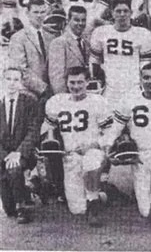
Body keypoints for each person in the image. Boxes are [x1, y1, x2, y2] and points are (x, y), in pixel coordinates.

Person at [108, 62, 151, 229]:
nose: (149, 81)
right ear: (140, 79)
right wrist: (108, 148)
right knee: (143, 211)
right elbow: (115, 129)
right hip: (138, 155)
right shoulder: (130, 99)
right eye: (146, 77)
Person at [42, 66, 113, 226]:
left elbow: (111, 132)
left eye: (80, 82)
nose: (76, 86)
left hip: (92, 151)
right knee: (78, 209)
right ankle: (102, 193)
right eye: (72, 82)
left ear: (88, 82)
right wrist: (52, 138)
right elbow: (47, 128)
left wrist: (94, 144)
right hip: (70, 156)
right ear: (66, 83)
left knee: (91, 162)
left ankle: (94, 204)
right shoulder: (57, 102)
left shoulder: (97, 101)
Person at [89, 0, 151, 102]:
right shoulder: (100, 32)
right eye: (118, 11)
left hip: (133, 87)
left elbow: (145, 66)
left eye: (125, 11)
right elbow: (94, 62)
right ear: (112, 13)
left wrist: (142, 88)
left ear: (131, 13)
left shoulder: (143, 34)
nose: (122, 14)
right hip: (109, 87)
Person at [0, 67, 41, 224]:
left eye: (16, 79)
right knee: (7, 209)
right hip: (3, 155)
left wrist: (19, 152)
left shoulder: (29, 102)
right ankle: (27, 190)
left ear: (21, 82)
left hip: (24, 154)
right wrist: (5, 156)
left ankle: (21, 207)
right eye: (8, 79)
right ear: (2, 81)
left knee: (14, 168)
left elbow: (33, 131)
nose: (12, 83)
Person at [9, 0, 54, 100]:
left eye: (42, 12)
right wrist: (43, 89)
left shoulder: (51, 36)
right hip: (28, 93)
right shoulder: (18, 38)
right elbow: (20, 69)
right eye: (35, 12)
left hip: (51, 91)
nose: (39, 15)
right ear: (27, 13)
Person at [48, 5, 89, 94]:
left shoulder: (85, 42)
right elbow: (57, 78)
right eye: (76, 20)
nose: (80, 23)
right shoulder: (59, 43)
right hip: (69, 97)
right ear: (68, 21)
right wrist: (64, 101)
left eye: (83, 20)